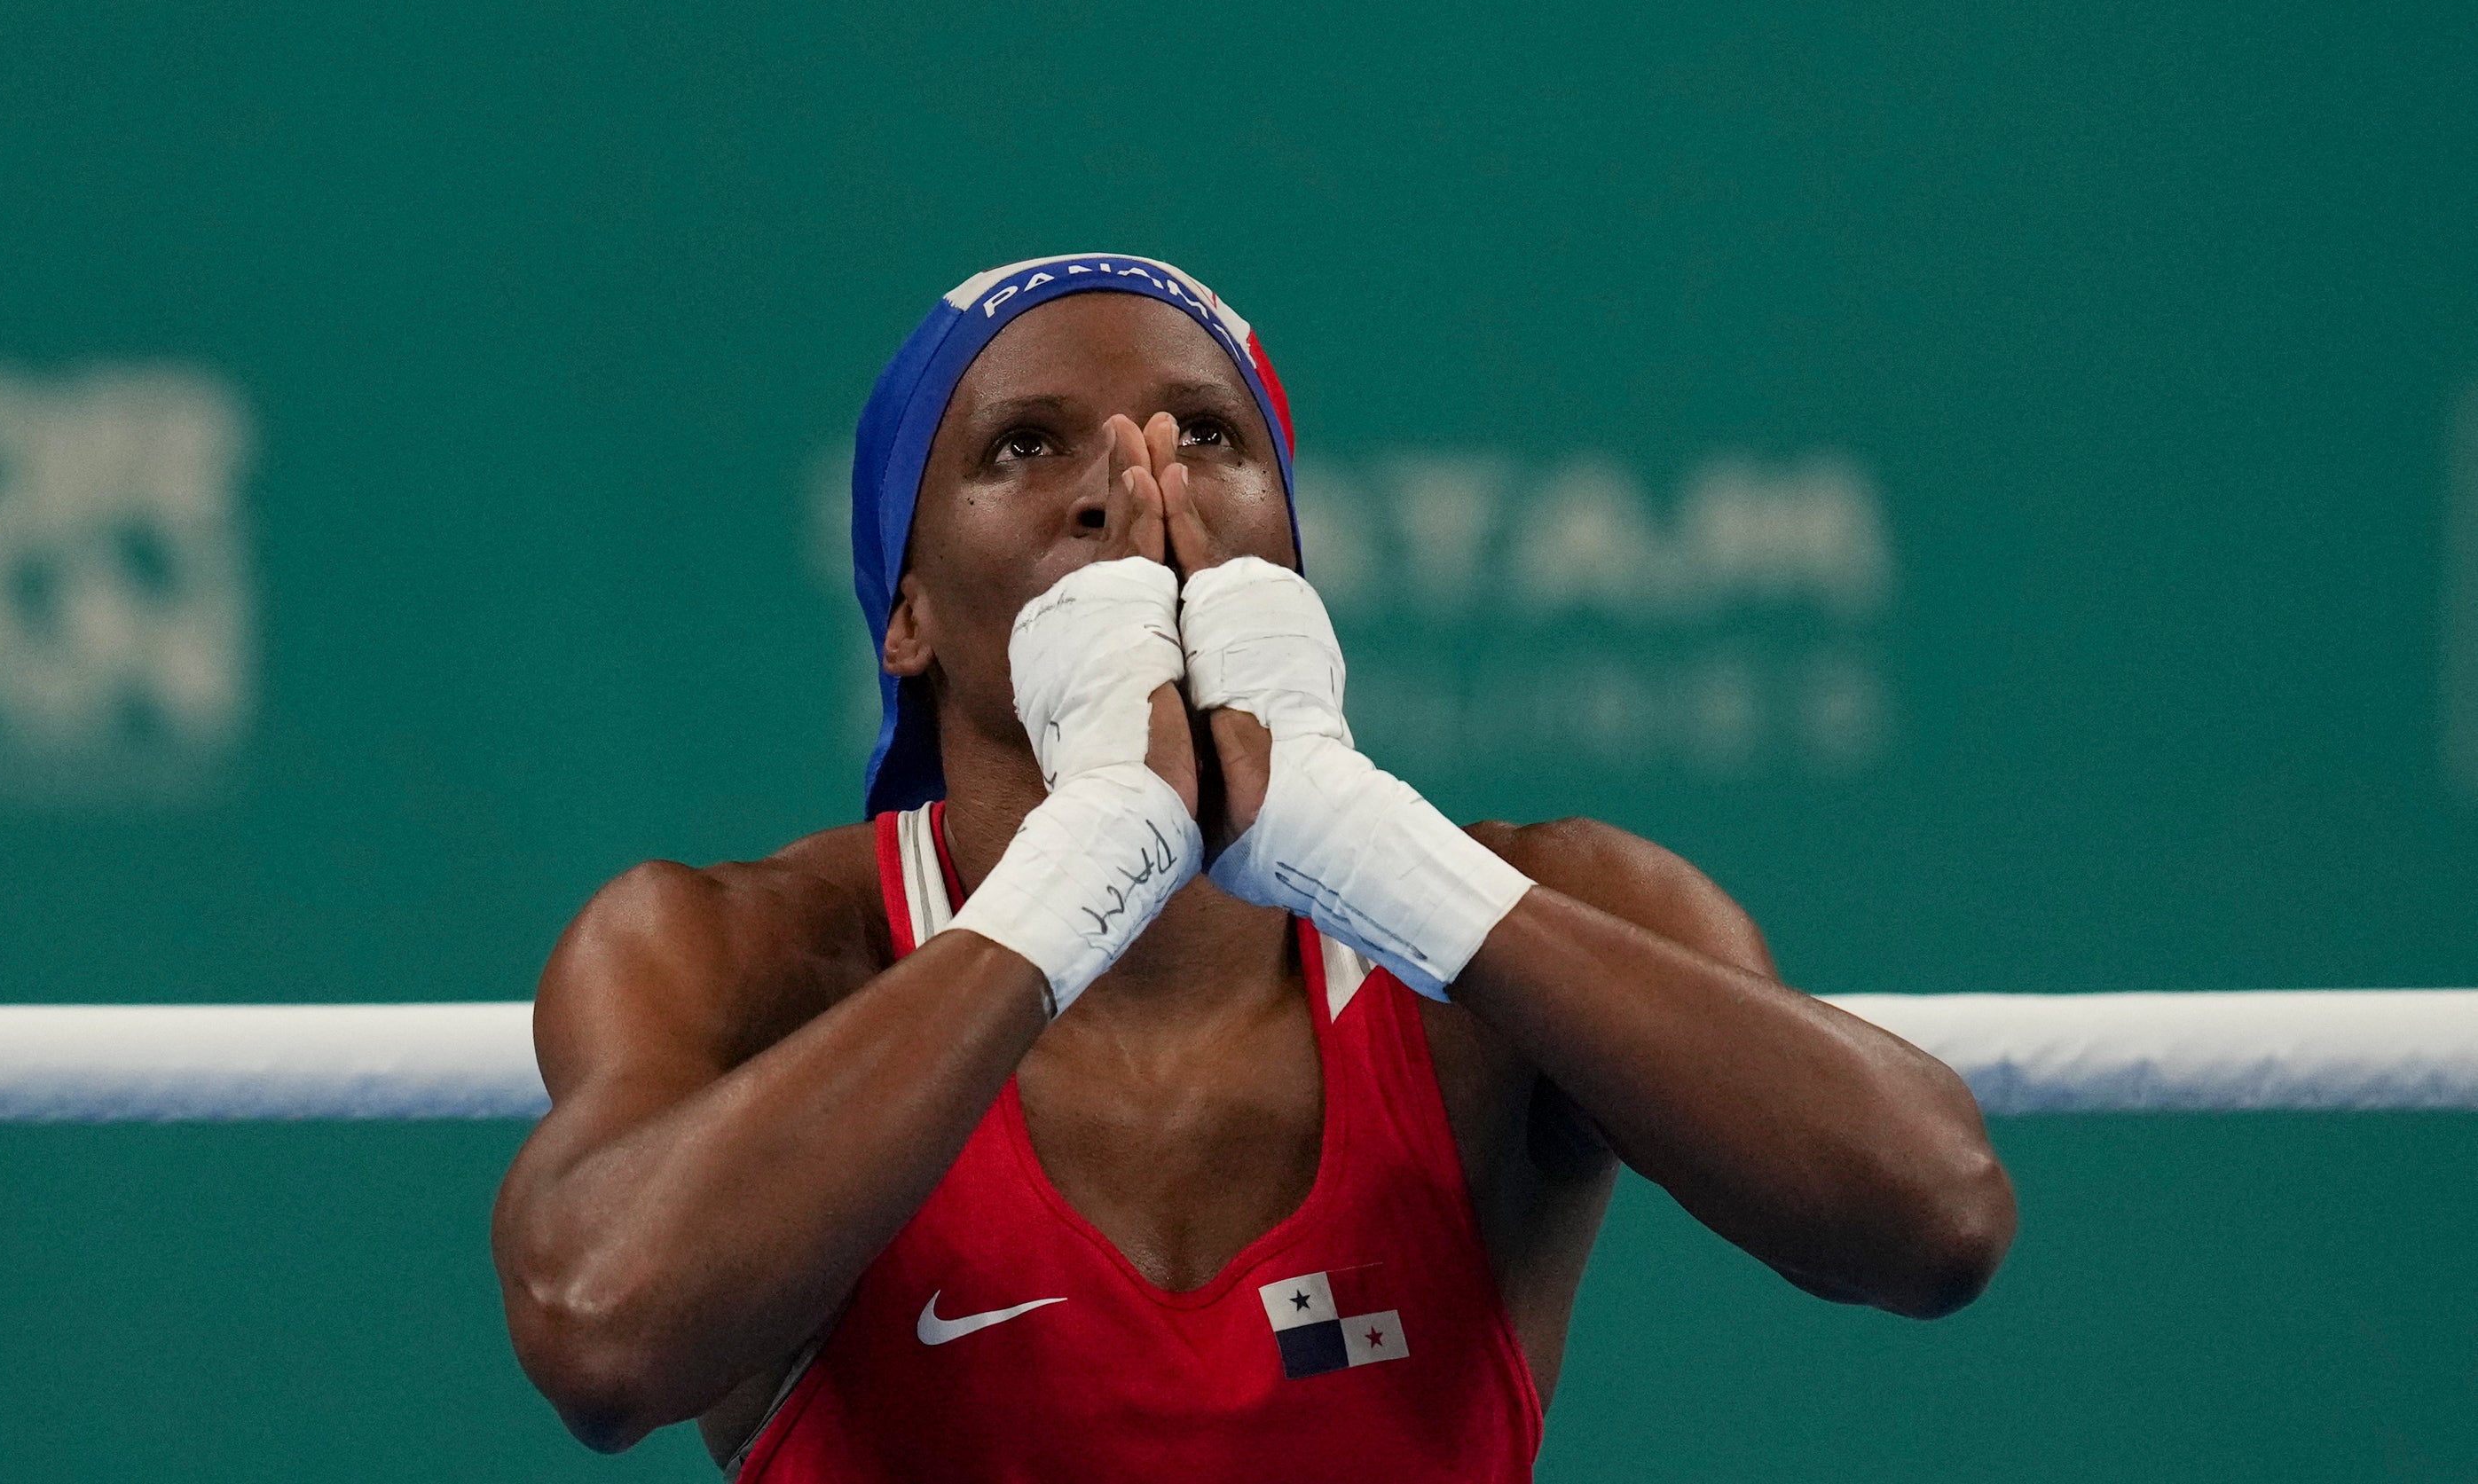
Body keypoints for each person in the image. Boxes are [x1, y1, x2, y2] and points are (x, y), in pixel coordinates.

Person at [492, 254, 2013, 1479]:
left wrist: (1361, 848)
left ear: (1282, 558)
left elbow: (1932, 1215)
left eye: (1204, 435)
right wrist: (1090, 858)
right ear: (904, 613)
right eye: (1023, 445)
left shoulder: (1544, 919)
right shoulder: (732, 955)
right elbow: (601, 1330)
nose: (1125, 488)